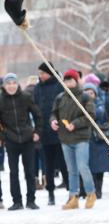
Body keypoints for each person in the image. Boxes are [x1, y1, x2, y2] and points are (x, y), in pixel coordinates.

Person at [50, 69, 96, 210]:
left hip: (81, 137)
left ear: (76, 81)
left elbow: (90, 116)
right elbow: (53, 113)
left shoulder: (84, 97)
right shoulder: (59, 98)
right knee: (72, 170)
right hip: (65, 138)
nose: (69, 83)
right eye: (66, 80)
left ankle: (90, 193)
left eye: (71, 80)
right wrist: (53, 121)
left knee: (82, 166)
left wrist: (74, 124)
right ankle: (73, 197)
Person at [0, 73, 42, 210]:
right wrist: (3, 136)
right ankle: (17, 201)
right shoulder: (0, 99)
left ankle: (31, 200)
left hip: (27, 139)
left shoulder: (25, 97)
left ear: (17, 84)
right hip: (11, 140)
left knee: (29, 171)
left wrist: (37, 132)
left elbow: (38, 115)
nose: (11, 86)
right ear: (4, 86)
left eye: (13, 83)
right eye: (8, 83)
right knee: (13, 172)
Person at [34, 62, 69, 205]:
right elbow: (35, 108)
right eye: (40, 73)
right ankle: (50, 193)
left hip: (60, 132)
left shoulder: (59, 85)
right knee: (47, 165)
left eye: (43, 73)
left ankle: (71, 191)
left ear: (49, 73)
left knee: (64, 164)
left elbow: (65, 107)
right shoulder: (37, 88)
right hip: (44, 133)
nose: (40, 76)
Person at [83, 83, 109, 199]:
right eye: (87, 92)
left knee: (99, 168)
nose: (89, 95)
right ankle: (88, 190)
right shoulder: (80, 104)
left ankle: (98, 190)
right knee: (88, 166)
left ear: (95, 94)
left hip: (98, 139)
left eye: (91, 93)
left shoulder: (100, 105)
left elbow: (99, 116)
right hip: (87, 138)